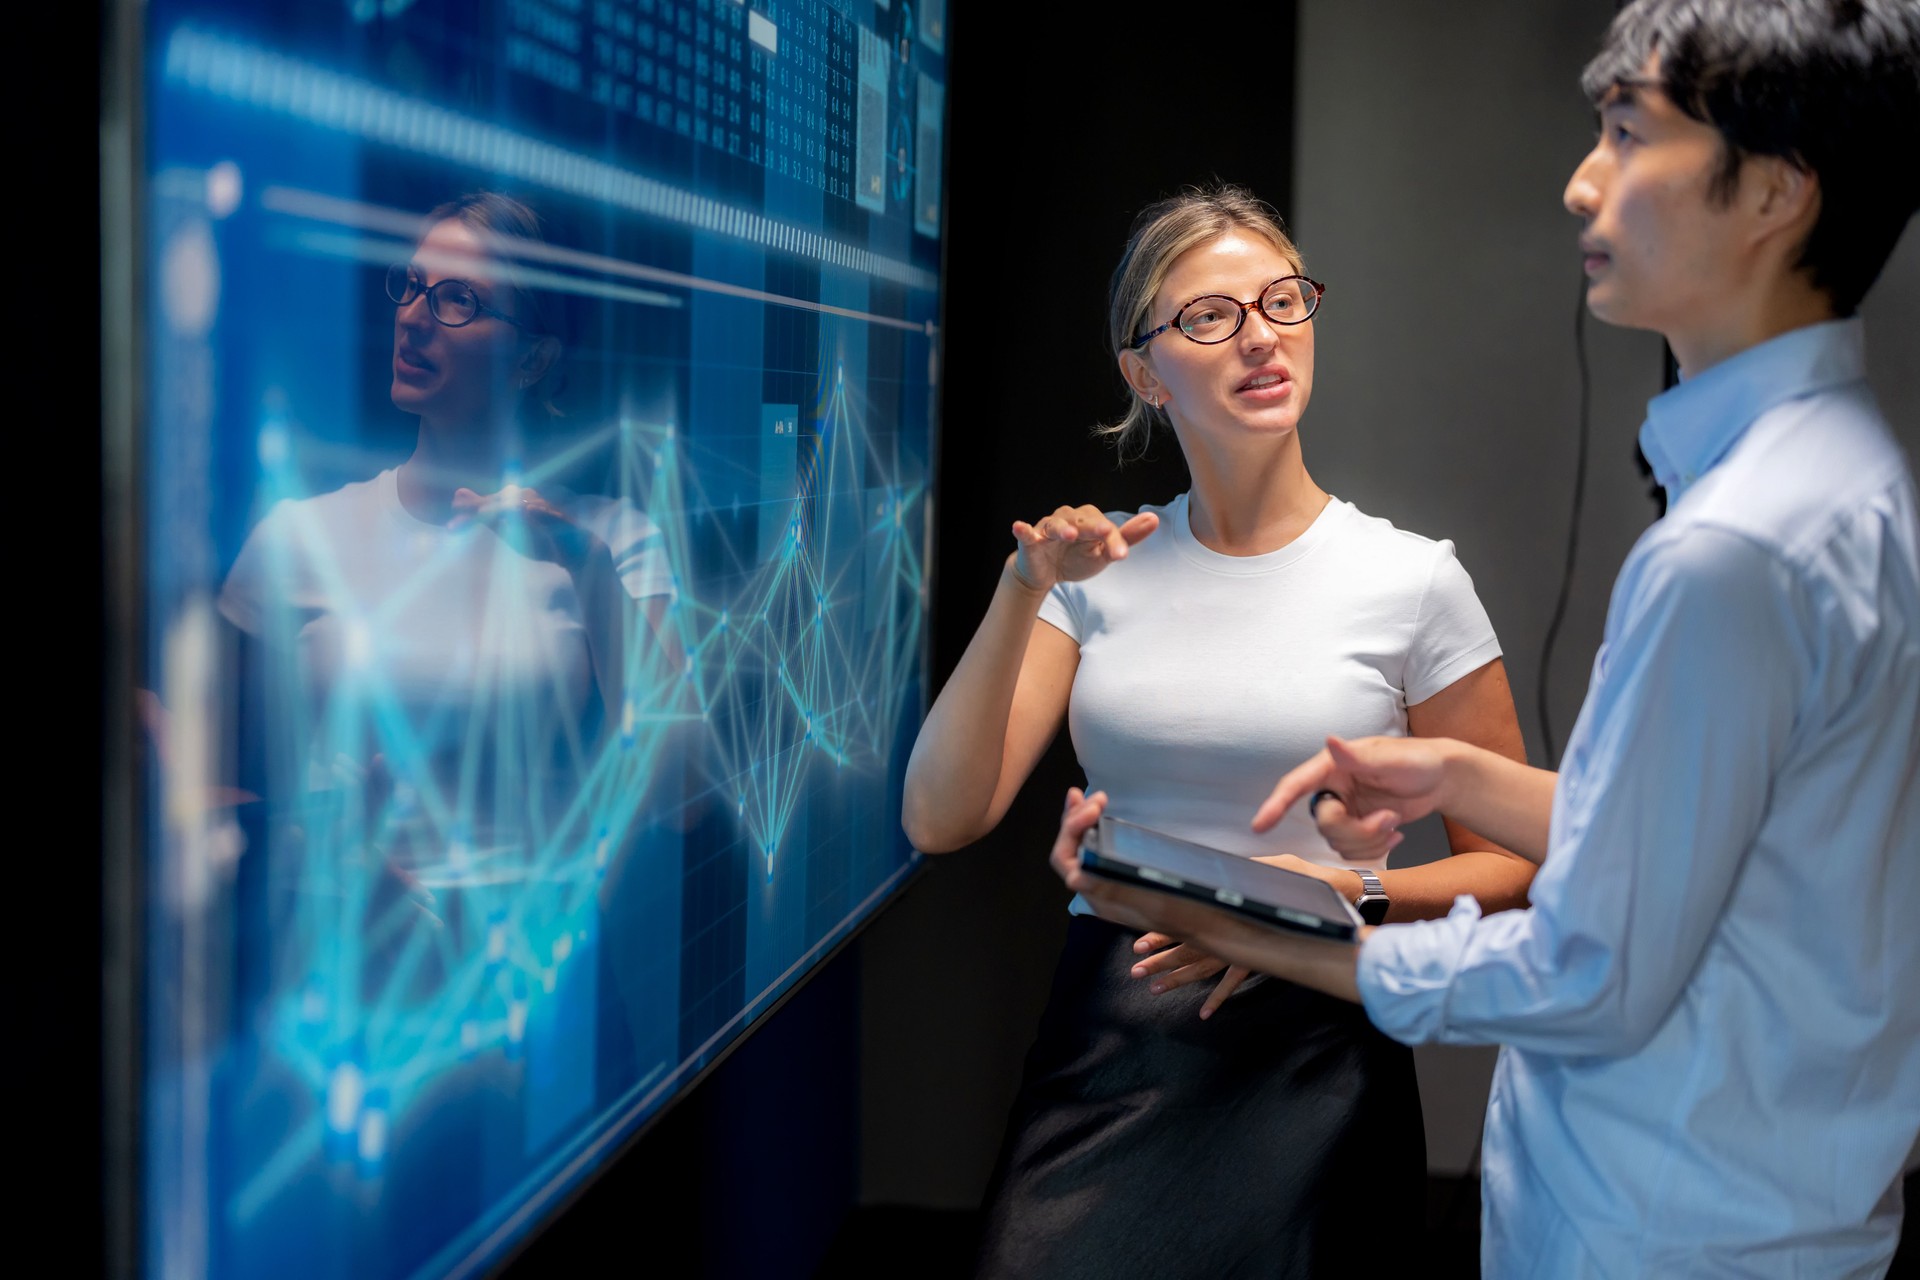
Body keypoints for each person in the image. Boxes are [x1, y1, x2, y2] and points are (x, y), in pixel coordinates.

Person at [1055, 2, 1920, 1274]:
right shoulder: (1837, 482)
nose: (1581, 184)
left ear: (1774, 194)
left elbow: (1594, 970)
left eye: (1627, 135)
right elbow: (1711, 845)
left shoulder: (1732, 549)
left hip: (1669, 1224)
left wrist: (1275, 917)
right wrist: (1462, 778)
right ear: (1143, 368)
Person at [901, 184, 1537, 1277]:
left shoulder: (1412, 578)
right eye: (1211, 315)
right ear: (1143, 371)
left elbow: (1515, 861)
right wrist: (1022, 585)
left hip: (1316, 1043)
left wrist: (1332, 892)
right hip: (1119, 1033)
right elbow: (943, 814)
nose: (1261, 336)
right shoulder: (1095, 567)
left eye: (1282, 301)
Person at [219, 191, 681, 960]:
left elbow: (683, 796)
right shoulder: (301, 537)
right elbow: (217, 785)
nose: (413, 315)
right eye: (412, 285)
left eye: (459, 299)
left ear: (533, 358)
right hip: (341, 986)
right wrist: (315, 847)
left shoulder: (613, 540)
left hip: (537, 992)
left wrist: (590, 572)